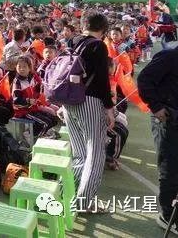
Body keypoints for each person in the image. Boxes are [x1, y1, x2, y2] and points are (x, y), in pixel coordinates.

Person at [65, 12, 115, 213]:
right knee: (95, 153)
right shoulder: (97, 45)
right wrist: (109, 108)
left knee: (80, 153)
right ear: (103, 30)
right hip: (90, 101)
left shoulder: (71, 41)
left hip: (68, 100)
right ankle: (84, 202)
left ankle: (68, 192)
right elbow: (102, 80)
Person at [137, 40, 178, 234]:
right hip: (167, 121)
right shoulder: (171, 55)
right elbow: (144, 79)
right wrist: (156, 107)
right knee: (171, 168)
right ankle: (168, 216)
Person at [11, 56, 58, 138]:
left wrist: (39, 95)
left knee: (53, 119)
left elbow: (38, 90)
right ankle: (32, 136)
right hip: (23, 111)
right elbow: (16, 101)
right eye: (19, 66)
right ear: (16, 67)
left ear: (30, 68)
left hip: (34, 107)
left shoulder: (32, 77)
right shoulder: (17, 82)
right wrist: (28, 101)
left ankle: (37, 133)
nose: (22, 69)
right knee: (45, 123)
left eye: (24, 66)